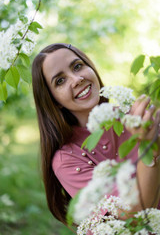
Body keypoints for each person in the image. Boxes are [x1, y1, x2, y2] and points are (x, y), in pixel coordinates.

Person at [32, 43, 160, 227]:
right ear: (54, 101)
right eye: (60, 81)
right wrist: (149, 148)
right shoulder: (66, 159)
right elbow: (135, 211)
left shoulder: (134, 116)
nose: (76, 79)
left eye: (77, 66)